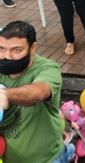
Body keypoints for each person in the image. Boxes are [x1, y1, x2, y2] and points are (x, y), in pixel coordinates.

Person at [0, 21, 71, 162]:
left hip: (48, 159)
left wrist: (5, 94)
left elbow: (37, 93)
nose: (7, 56)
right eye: (1, 49)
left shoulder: (48, 69)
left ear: (33, 48)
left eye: (16, 50)